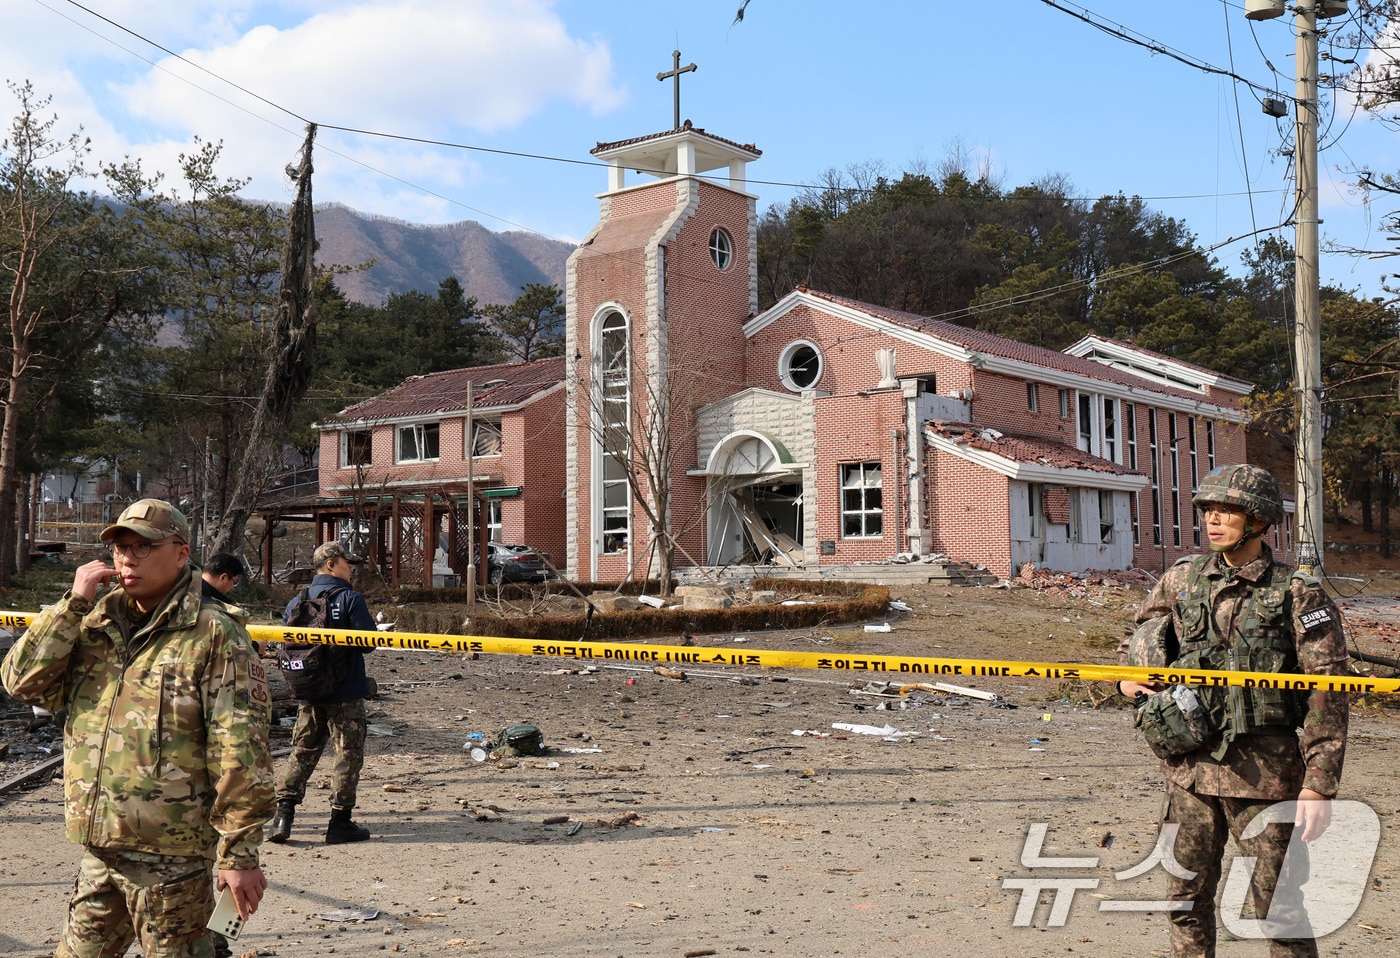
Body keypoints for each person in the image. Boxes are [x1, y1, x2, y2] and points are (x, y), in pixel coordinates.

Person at [0, 499, 274, 957]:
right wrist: (72, 604)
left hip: (174, 863)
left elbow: (240, 748)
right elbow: (21, 683)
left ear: (182, 553)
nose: (127, 558)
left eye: (144, 547)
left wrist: (240, 854)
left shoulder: (213, 633)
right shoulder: (94, 624)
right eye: (120, 547)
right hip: (100, 852)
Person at [1118, 464, 1349, 958]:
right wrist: (1129, 679)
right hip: (1191, 771)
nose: (1214, 520)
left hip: (1266, 775)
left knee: (1278, 908)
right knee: (1185, 899)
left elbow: (1328, 691)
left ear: (1261, 520)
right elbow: (1142, 642)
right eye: (1209, 510)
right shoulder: (1181, 579)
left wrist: (1319, 782)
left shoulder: (1296, 592)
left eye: (1229, 511)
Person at [268, 541, 376, 845]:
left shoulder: (295, 601)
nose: (351, 569)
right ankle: (340, 822)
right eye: (347, 563)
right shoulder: (350, 599)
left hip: (309, 691)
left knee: (301, 752)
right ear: (330, 563)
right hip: (346, 693)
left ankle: (283, 816)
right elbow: (368, 642)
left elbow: (284, 644)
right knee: (347, 756)